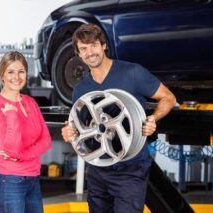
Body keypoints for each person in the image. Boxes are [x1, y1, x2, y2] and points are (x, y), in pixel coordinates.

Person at [61, 24, 176, 213]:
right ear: (78, 54)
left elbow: (168, 97)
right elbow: (80, 125)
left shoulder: (132, 73)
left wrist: (153, 118)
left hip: (130, 170)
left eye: (93, 45)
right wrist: (70, 131)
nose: (90, 52)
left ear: (103, 45)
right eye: (83, 48)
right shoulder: (80, 90)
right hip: (98, 168)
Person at [0, 51, 52, 213]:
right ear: (2, 75)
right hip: (8, 181)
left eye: (21, 71)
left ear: (26, 74)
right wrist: (11, 114)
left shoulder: (30, 102)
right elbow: (12, 149)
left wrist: (21, 156)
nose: (16, 77)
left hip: (33, 179)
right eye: (11, 72)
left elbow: (46, 141)